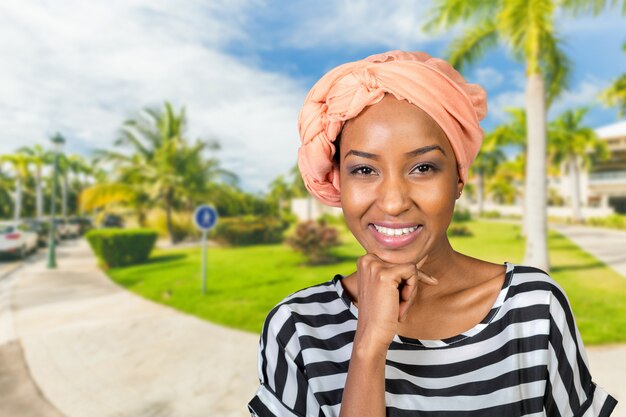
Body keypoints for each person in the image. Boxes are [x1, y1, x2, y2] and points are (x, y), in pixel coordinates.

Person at [247, 50, 617, 417]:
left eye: (422, 167)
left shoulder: (532, 310)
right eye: (363, 170)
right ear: (338, 181)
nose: (393, 203)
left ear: (458, 177)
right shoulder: (298, 330)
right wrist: (368, 349)